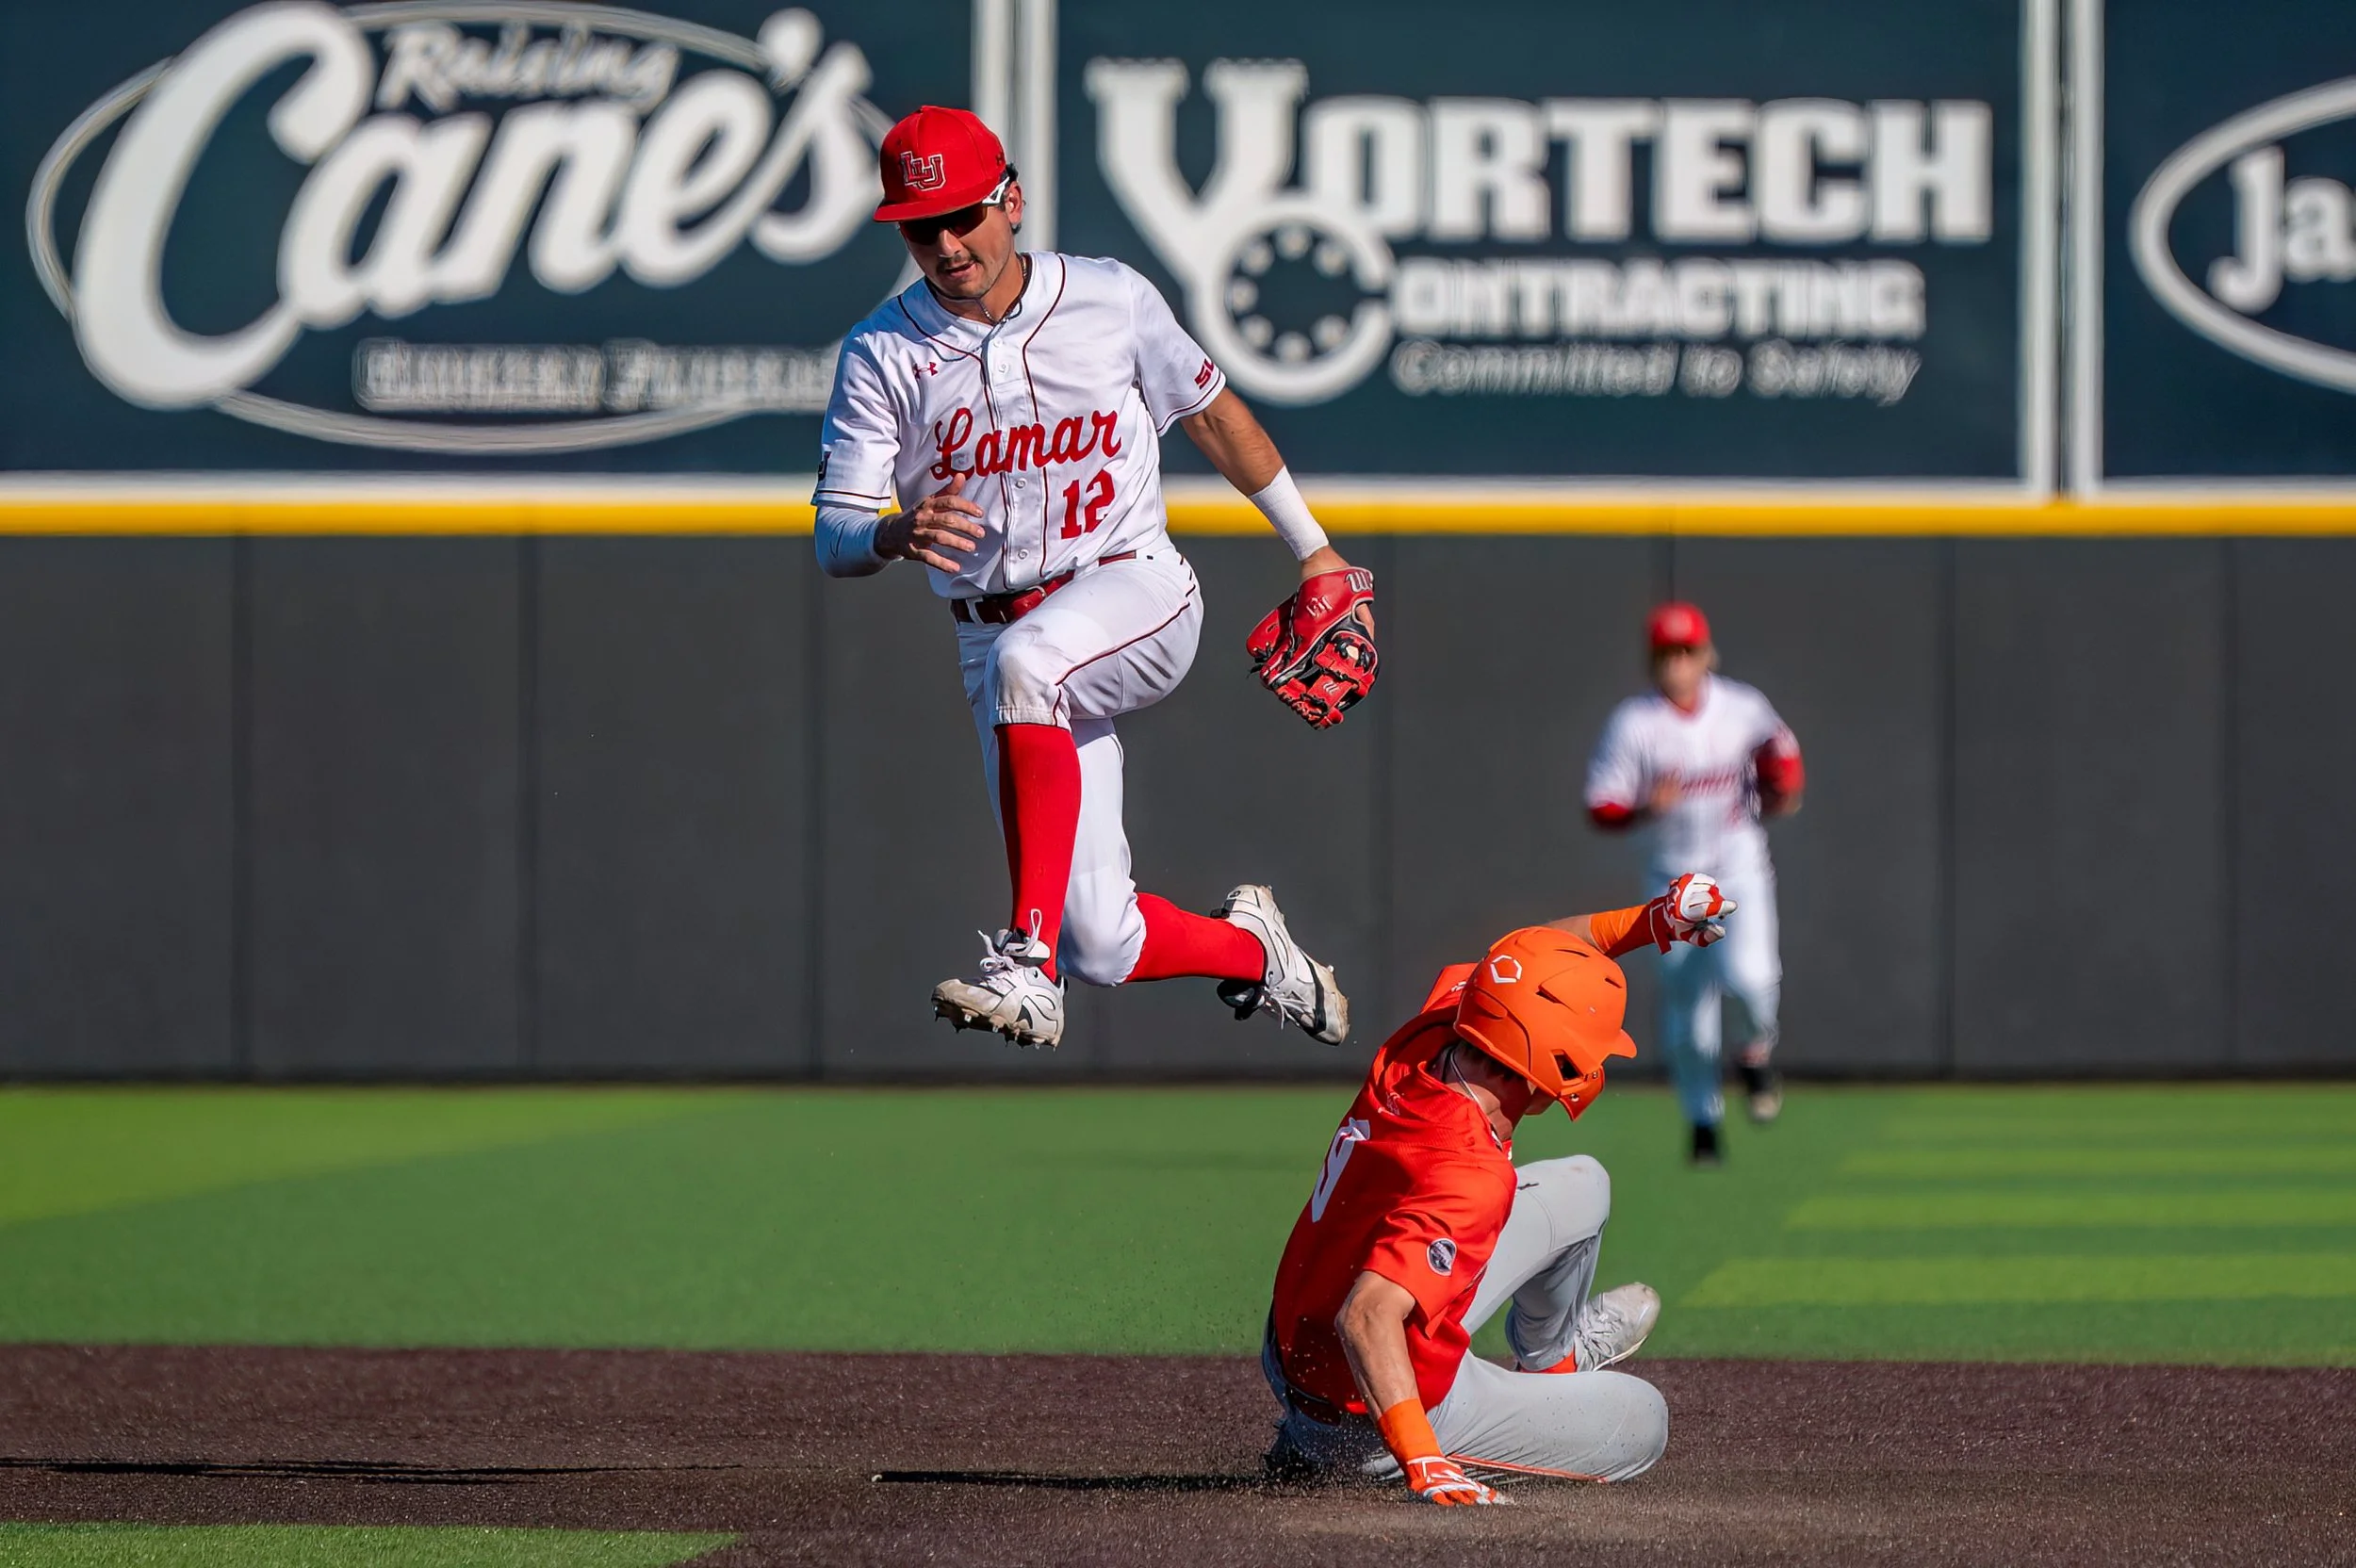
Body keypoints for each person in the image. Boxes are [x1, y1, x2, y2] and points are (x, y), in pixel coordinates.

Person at [812, 106, 1369, 1050]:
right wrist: (894, 532)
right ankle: (1259, 955)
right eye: (922, 227)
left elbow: (1211, 414)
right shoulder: (882, 352)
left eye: (965, 216)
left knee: (1031, 663)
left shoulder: (1109, 298)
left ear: (1013, 200)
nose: (947, 243)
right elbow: (834, 533)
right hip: (994, 634)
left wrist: (1314, 548)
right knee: (1103, 939)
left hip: (1133, 587)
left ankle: (1027, 966)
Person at [1262, 874, 1734, 1504]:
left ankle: (1553, 1363)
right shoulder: (1468, 1171)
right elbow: (1368, 1316)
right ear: (1557, 1062)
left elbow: (1535, 958)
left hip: (1295, 1337)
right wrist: (1422, 1459)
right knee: (1643, 1420)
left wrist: (1650, 921)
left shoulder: (1439, 1029)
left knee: (1583, 1184)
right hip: (1366, 1410)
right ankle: (1337, 1454)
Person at [1585, 602, 1804, 1165]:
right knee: (1689, 1019)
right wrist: (1639, 807)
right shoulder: (1634, 723)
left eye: (1687, 651)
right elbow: (1600, 804)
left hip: (1739, 869)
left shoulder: (1742, 707)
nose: (1677, 663)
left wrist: (1782, 787)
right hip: (1670, 879)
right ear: (1652, 660)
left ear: (1706, 654)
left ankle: (1756, 1054)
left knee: (1754, 981)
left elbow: (1783, 756)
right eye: (1666, 653)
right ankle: (1703, 1123)